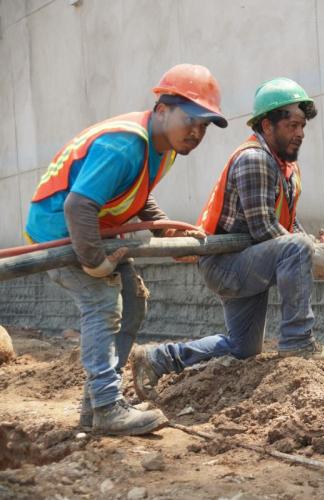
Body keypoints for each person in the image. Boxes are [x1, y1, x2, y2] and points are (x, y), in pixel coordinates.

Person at [25, 64, 228, 435]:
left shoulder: (163, 146)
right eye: (192, 120)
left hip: (94, 227)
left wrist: (167, 229)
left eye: (204, 126)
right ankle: (106, 406)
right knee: (103, 304)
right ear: (162, 110)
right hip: (62, 231)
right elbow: (78, 206)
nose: (197, 132)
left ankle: (96, 404)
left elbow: (136, 195)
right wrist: (98, 265)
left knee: (133, 299)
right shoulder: (124, 144)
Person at [131, 77, 324, 402]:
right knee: (297, 247)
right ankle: (299, 342)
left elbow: (283, 222)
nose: (300, 133)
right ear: (267, 124)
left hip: (242, 261)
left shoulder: (284, 166)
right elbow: (264, 229)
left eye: (302, 126)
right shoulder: (255, 159)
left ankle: (158, 358)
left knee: (243, 348)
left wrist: (312, 243)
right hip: (226, 264)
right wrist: (308, 250)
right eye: (292, 125)